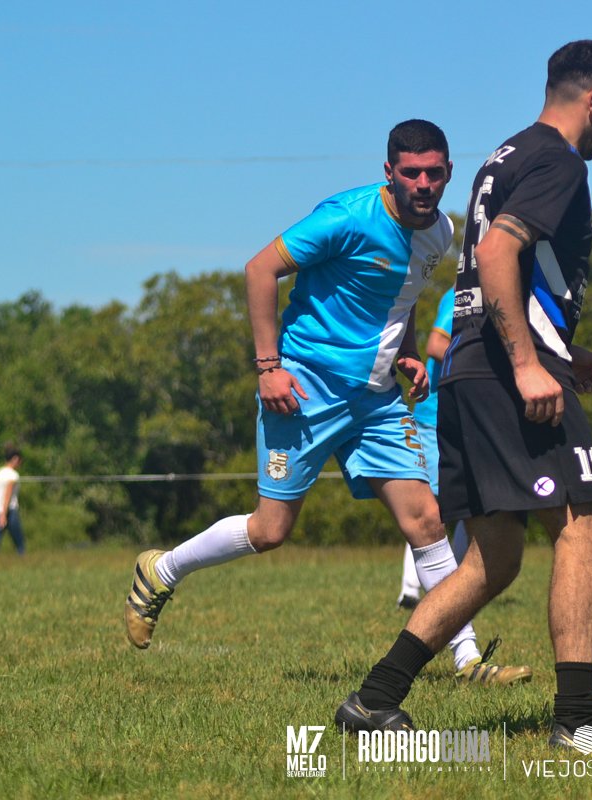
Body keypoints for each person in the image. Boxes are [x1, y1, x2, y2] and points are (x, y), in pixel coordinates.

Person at [123, 119, 530, 687]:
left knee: (427, 520)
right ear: (389, 172)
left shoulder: (441, 232)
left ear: (448, 173)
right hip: (304, 390)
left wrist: (409, 353)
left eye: (434, 174)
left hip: (377, 400)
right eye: (411, 173)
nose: (423, 184)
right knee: (270, 530)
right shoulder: (346, 217)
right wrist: (269, 368)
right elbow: (260, 269)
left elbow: (404, 296)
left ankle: (467, 662)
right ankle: (161, 569)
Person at [335, 41, 592, 752]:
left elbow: (490, 278)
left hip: (471, 369)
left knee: (493, 559)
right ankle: (576, 722)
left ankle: (373, 700)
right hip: (509, 374)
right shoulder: (558, 161)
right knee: (584, 530)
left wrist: (562, 350)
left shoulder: (505, 155)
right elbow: (499, 252)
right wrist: (531, 364)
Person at [396, 287, 467, 609]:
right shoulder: (461, 294)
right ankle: (411, 590)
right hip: (435, 417)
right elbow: (436, 344)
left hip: (469, 420)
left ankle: (456, 588)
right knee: (430, 506)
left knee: (475, 505)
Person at [0, 444, 26, 555]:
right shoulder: (13, 475)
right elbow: (8, 494)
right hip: (9, 511)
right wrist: (4, 514)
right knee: (19, 542)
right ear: (15, 459)